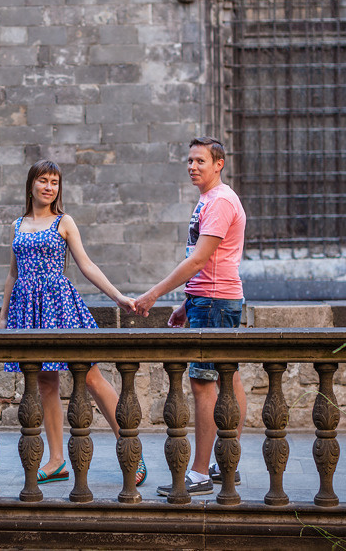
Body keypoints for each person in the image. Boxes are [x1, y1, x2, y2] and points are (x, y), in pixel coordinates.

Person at [0, 160, 146, 487]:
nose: (49, 187)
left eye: (54, 182)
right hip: (28, 309)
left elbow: (87, 265)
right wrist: (3, 317)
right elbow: (12, 274)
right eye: (43, 180)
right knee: (45, 383)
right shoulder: (18, 225)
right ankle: (56, 461)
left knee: (90, 375)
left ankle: (131, 448)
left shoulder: (64, 222)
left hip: (59, 304)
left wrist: (118, 297)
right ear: (31, 184)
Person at [133, 137, 248, 497]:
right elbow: (209, 263)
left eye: (200, 160)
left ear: (219, 164)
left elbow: (199, 260)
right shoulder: (211, 200)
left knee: (204, 384)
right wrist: (188, 302)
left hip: (215, 301)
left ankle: (199, 473)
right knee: (230, 379)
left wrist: (154, 293)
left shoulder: (220, 202)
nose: (192, 166)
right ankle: (226, 461)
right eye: (189, 161)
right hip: (211, 298)